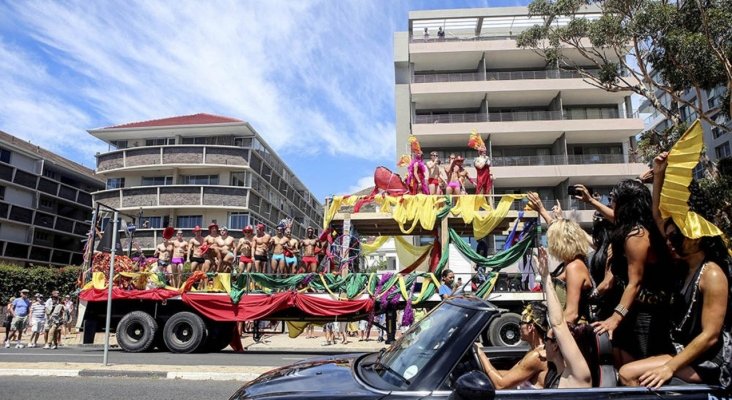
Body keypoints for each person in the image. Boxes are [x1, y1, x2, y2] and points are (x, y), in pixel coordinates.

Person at [618, 152, 732, 389]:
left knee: (630, 374)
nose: (669, 242)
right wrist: (659, 174)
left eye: (675, 237)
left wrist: (669, 367)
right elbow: (658, 216)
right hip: (686, 352)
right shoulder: (683, 265)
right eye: (668, 237)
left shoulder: (711, 274)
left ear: (696, 237)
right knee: (628, 370)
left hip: (711, 361)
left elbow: (710, 336)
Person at [592, 179, 675, 365]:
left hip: (645, 315)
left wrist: (616, 317)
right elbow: (614, 217)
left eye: (613, 198)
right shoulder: (635, 227)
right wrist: (590, 201)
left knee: (639, 367)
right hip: (635, 310)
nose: (611, 202)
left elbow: (634, 283)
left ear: (624, 204)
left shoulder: (636, 236)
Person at [537, 247, 592, 388]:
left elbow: (559, 324)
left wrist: (546, 279)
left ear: (556, 345)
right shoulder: (554, 373)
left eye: (546, 340)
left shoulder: (577, 376)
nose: (543, 345)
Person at [475, 302, 550, 389]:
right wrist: (482, 373)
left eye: (521, 323)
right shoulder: (533, 351)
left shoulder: (536, 356)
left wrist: (480, 354)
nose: (519, 327)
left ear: (530, 327)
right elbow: (510, 374)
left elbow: (501, 385)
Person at [546, 219, 593, 325]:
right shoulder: (568, 264)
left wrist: (552, 336)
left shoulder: (574, 266)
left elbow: (572, 313)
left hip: (573, 331)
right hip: (565, 328)